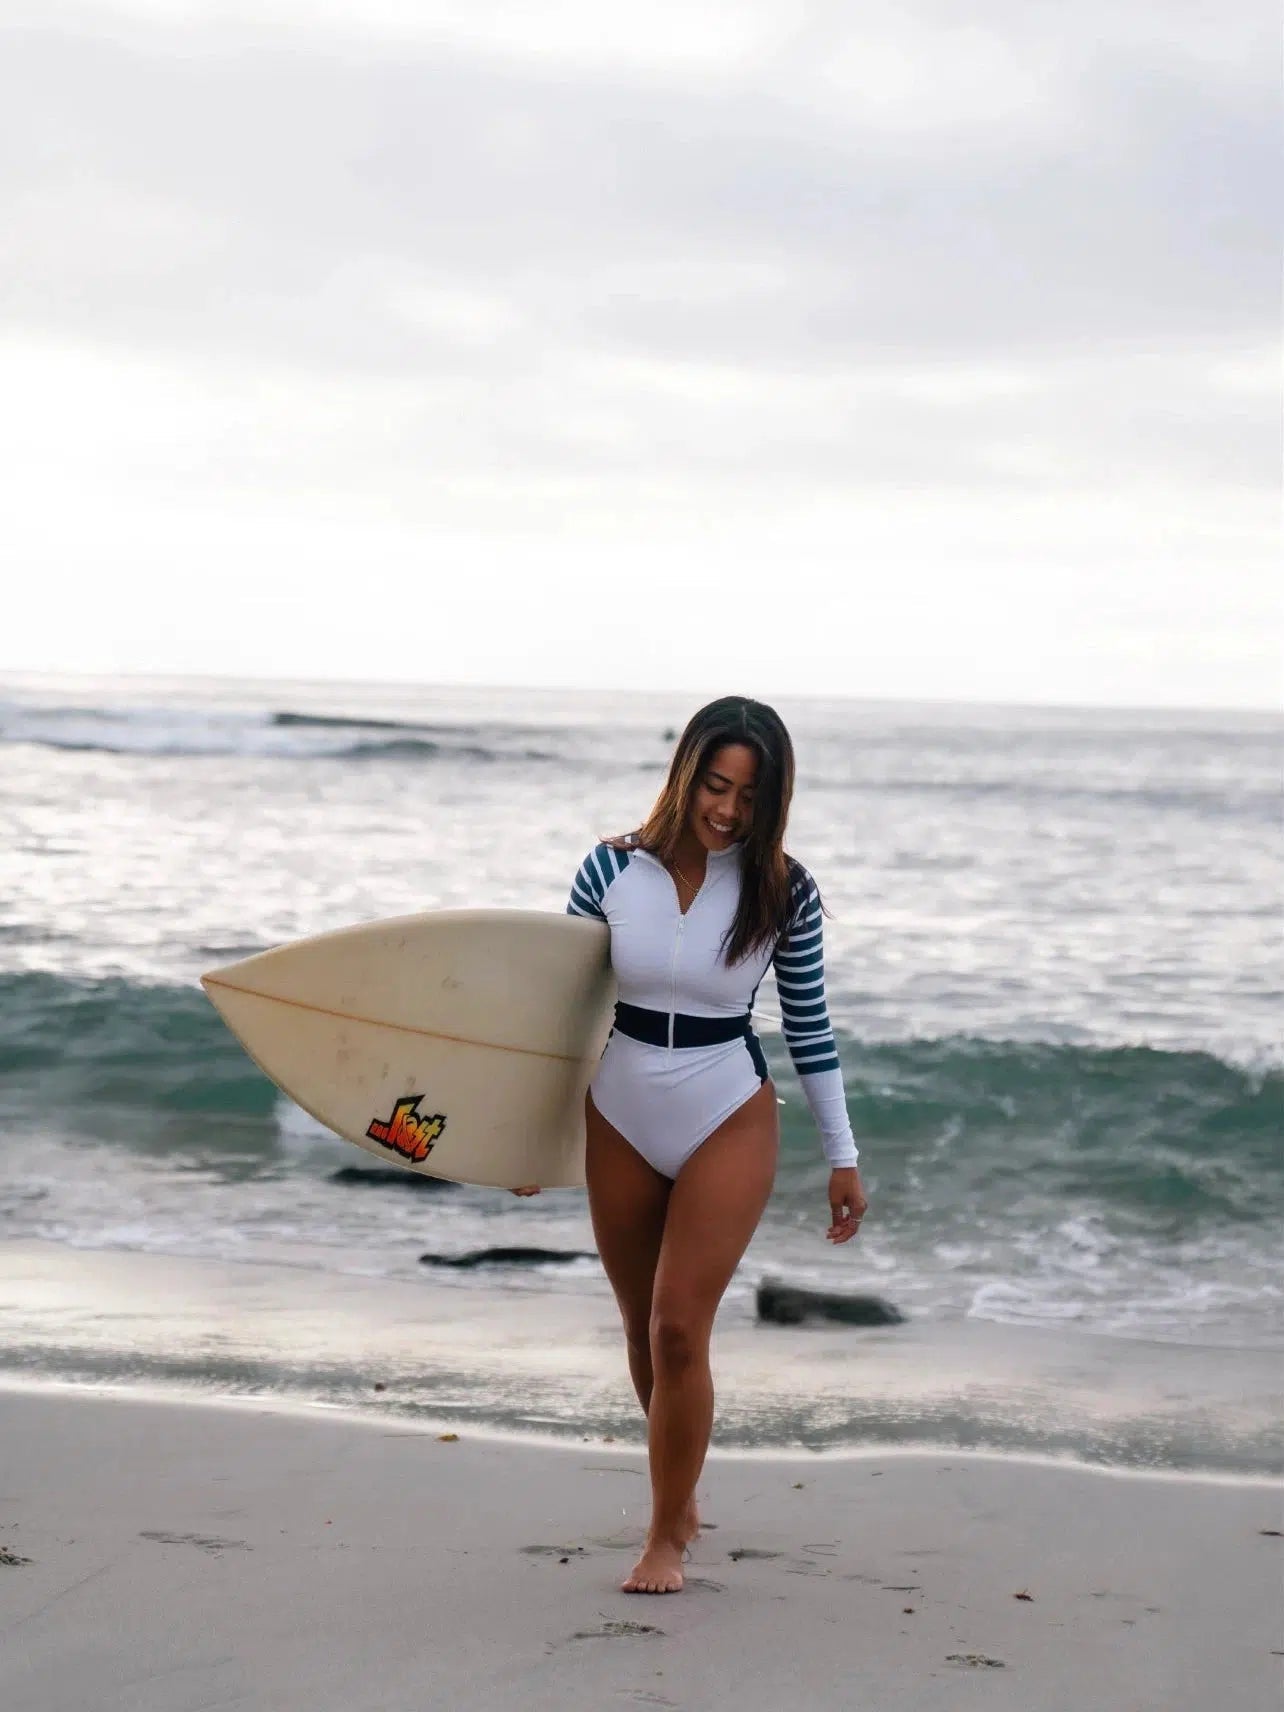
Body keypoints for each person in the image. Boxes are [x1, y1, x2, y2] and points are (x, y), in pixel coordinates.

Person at [524, 695, 868, 1594]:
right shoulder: (610, 870)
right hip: (621, 1110)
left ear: (772, 804)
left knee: (682, 1327)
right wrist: (527, 1139)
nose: (726, 810)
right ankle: (679, 1497)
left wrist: (844, 1154)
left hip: (726, 1107)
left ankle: (664, 1538)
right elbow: (560, 1012)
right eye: (716, 785)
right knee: (642, 1331)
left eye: (749, 798)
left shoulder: (784, 891)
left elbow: (810, 1026)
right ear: (686, 774)